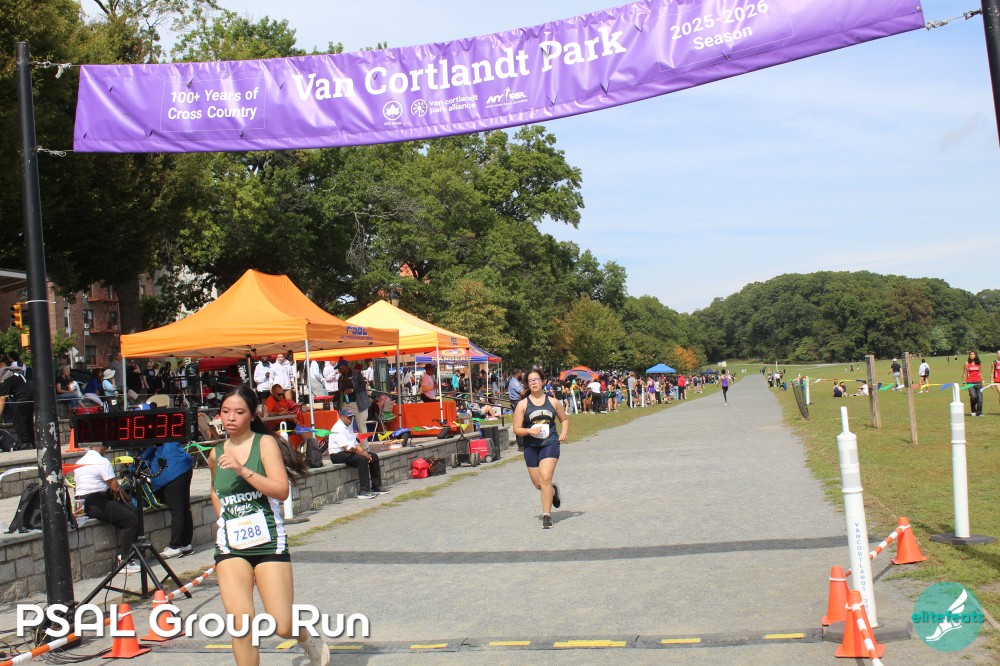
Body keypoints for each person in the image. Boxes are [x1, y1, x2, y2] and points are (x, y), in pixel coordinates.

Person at [208, 386, 328, 666]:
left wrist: (242, 469)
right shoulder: (215, 454)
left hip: (268, 542)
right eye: (225, 412)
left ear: (253, 415)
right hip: (231, 547)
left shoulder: (265, 444)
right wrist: (224, 518)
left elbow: (281, 490)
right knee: (240, 624)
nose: (231, 418)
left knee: (281, 624)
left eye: (239, 412)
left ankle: (305, 636)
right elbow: (215, 490)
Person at [512, 369, 569, 530]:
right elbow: (516, 429)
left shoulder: (553, 402)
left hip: (550, 443)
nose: (534, 383)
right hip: (531, 446)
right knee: (539, 484)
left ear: (543, 381)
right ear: (527, 384)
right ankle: (553, 491)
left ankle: (547, 516)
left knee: (545, 478)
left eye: (536, 379)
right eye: (530, 380)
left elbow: (564, 419)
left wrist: (564, 432)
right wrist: (529, 431)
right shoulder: (522, 405)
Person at [74, 441, 140, 573]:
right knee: (132, 520)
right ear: (105, 445)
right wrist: (128, 499)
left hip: (82, 503)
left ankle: (134, 554)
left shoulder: (79, 462)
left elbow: (77, 488)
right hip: (97, 502)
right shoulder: (102, 461)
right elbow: (115, 487)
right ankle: (124, 559)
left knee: (131, 512)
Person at [141, 441, 195, 559]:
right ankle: (186, 544)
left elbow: (148, 450)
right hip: (184, 465)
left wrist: (134, 467)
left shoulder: (152, 433)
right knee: (184, 507)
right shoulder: (167, 432)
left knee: (177, 510)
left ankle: (175, 546)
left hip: (171, 469)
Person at [327, 404, 388, 500]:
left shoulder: (348, 427)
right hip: (337, 454)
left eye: (351, 417)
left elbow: (355, 444)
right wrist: (364, 455)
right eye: (348, 417)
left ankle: (376, 487)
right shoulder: (338, 428)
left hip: (347, 452)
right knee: (362, 459)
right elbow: (347, 448)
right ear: (342, 417)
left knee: (374, 456)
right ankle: (364, 491)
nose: (350, 420)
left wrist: (366, 453)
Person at [0, 364, 33, 450]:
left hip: (23, 396)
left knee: (18, 419)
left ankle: (25, 442)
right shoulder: (9, 373)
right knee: (27, 419)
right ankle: (31, 441)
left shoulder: (4, 379)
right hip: (29, 392)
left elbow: (2, 399)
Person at [963, 351, 984, 417]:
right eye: (970, 354)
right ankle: (973, 410)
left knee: (980, 398)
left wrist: (982, 381)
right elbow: (964, 373)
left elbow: (980, 373)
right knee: (973, 396)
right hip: (970, 382)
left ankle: (979, 412)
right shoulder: (966, 363)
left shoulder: (978, 363)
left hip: (978, 382)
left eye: (973, 354)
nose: (971, 355)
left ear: (975, 355)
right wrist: (964, 381)